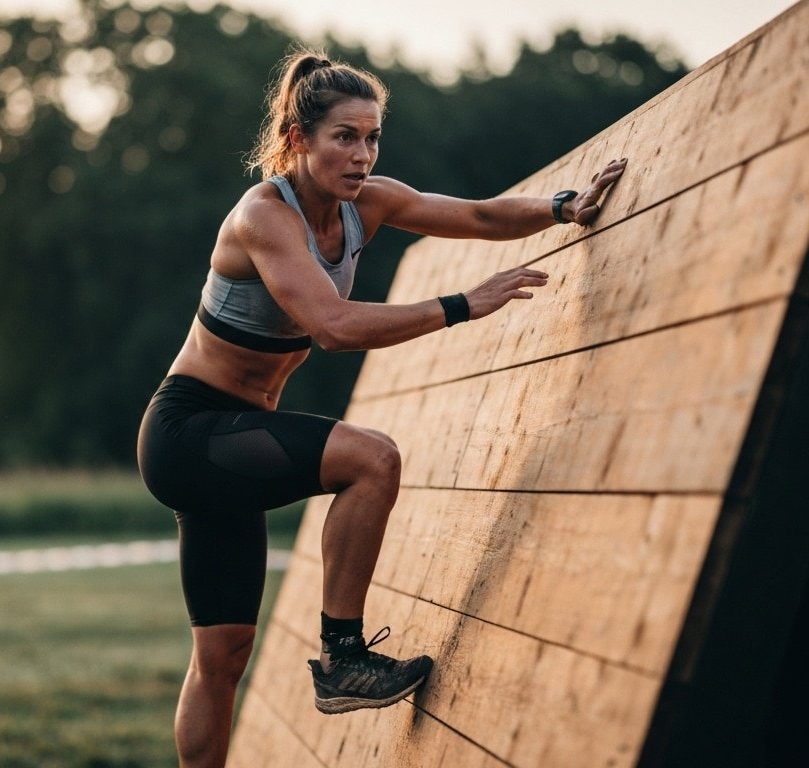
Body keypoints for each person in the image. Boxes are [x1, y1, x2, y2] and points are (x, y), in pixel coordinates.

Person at [136, 49, 624, 767]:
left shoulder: (371, 202)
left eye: (372, 138)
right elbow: (333, 328)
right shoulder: (264, 217)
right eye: (345, 138)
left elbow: (480, 215)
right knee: (373, 459)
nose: (362, 155)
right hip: (191, 431)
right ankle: (342, 658)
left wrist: (562, 207)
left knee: (221, 656)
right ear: (299, 139)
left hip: (234, 442)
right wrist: (463, 304)